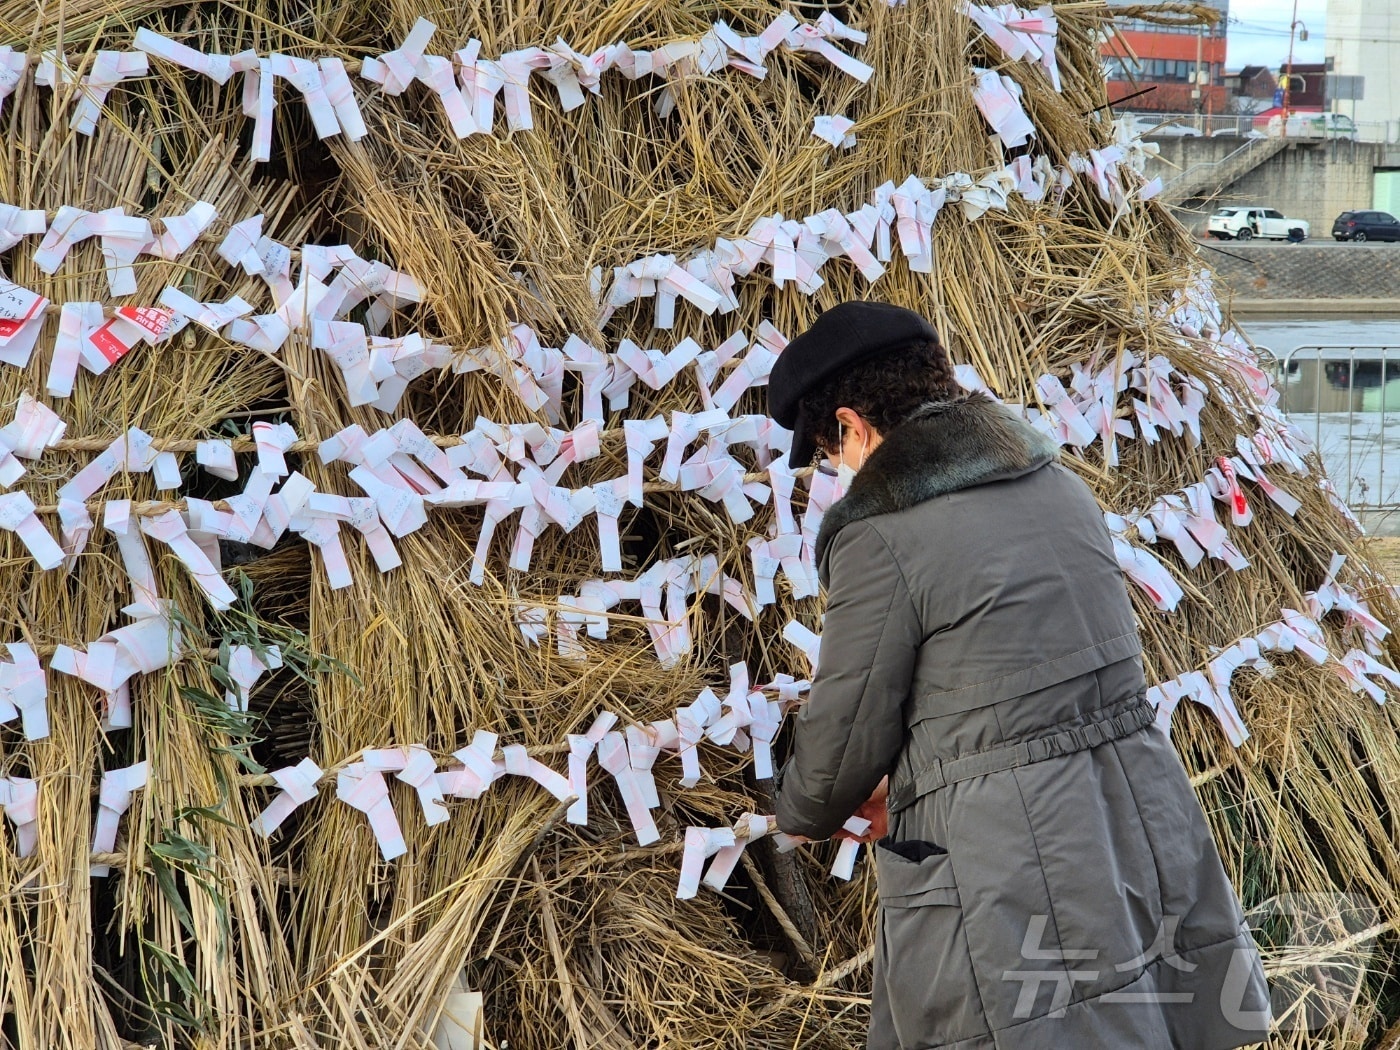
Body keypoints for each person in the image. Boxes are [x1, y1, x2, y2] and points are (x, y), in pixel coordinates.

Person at [765, 301, 1271, 1050]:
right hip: (1134, 823)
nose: (837, 474)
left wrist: (799, 807)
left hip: (1012, 866)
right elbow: (1011, 684)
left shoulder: (881, 533)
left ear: (853, 425)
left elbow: (842, 743)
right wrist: (914, 777)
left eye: (830, 455)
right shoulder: (1058, 485)